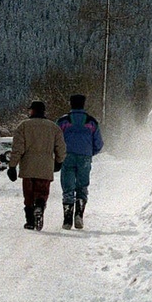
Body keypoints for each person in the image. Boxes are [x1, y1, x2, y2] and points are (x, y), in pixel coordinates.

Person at [6, 100, 66, 231]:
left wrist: (12, 166)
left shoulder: (23, 126)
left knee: (28, 195)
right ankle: (40, 206)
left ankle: (30, 221)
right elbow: (61, 148)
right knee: (42, 192)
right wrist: (59, 162)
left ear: (32, 111)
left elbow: (17, 148)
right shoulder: (54, 127)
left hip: (28, 167)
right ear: (44, 111)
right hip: (45, 167)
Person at [57, 93, 103, 230]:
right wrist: (90, 152)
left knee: (68, 187)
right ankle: (79, 215)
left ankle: (67, 219)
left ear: (71, 104)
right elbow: (99, 143)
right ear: (83, 104)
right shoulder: (91, 122)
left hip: (67, 156)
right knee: (82, 186)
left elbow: (56, 139)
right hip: (85, 157)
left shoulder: (63, 121)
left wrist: (58, 154)